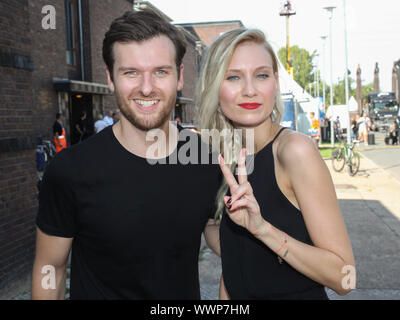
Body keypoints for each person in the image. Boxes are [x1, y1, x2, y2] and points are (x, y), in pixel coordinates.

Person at [32, 9, 221, 300]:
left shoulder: (205, 160)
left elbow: (218, 233)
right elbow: (50, 267)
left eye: (160, 71)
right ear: (110, 78)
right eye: (131, 72)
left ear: (180, 77)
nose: (146, 88)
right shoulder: (70, 170)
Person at [197, 28, 355, 300]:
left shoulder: (294, 151)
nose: (250, 90)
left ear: (275, 83)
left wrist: (263, 230)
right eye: (234, 77)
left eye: (261, 75)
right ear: (214, 87)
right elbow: (232, 252)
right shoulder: (227, 158)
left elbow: (345, 277)